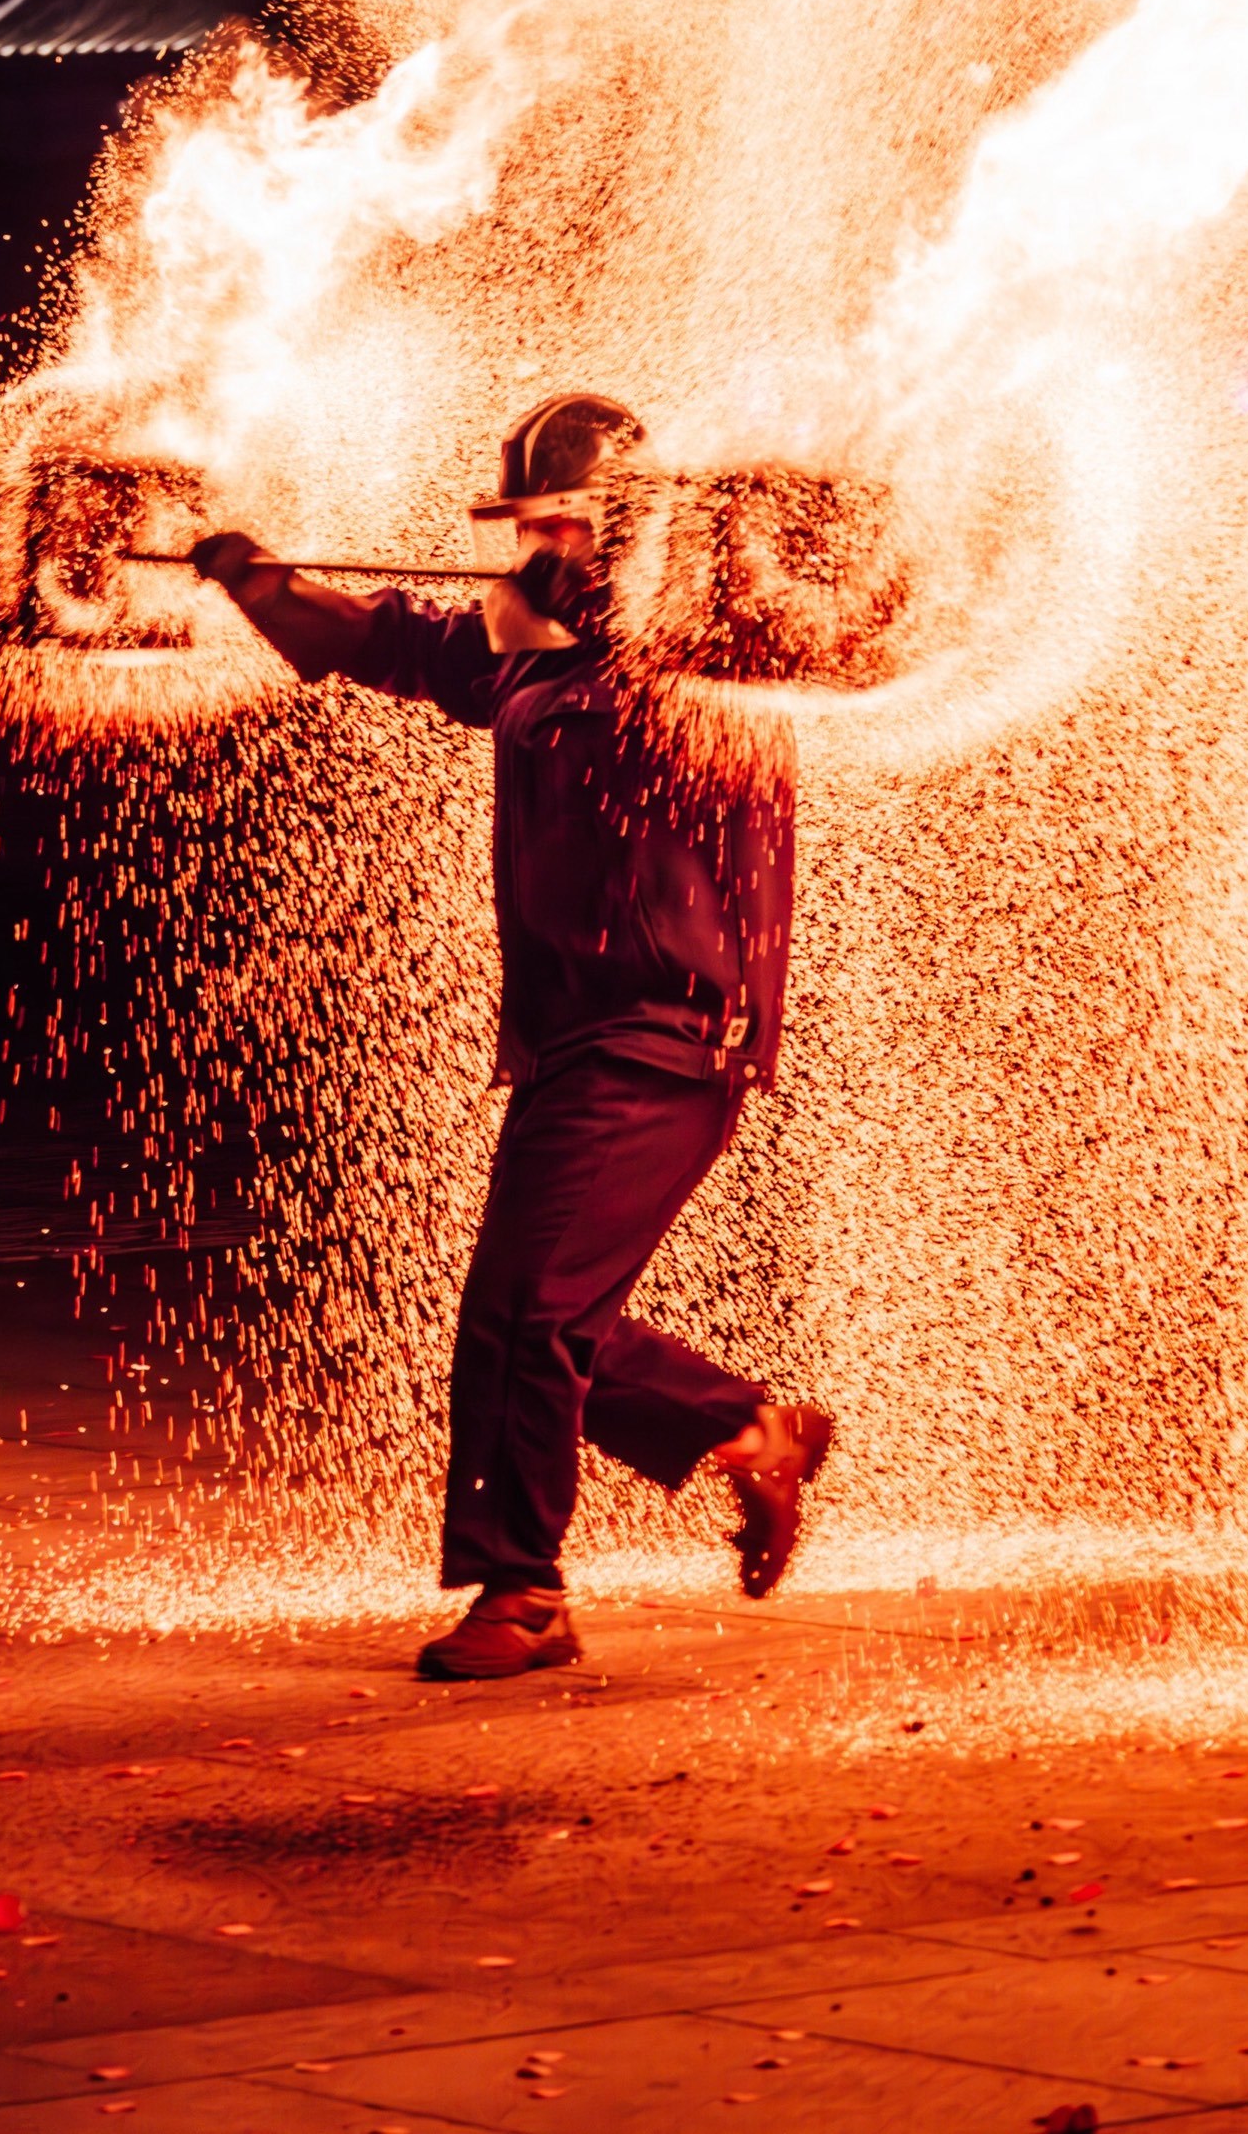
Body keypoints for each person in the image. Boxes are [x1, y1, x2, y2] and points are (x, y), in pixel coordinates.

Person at [191, 390, 831, 1680]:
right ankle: (747, 1429)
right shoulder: (540, 654)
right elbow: (388, 642)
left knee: (521, 1312)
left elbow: (634, 687)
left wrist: (568, 614)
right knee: (537, 1314)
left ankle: (522, 1593)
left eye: (554, 525)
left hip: (664, 1035)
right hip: (573, 1038)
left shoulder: (694, 664)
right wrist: (260, 584)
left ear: (625, 529)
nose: (529, 546)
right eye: (526, 523)